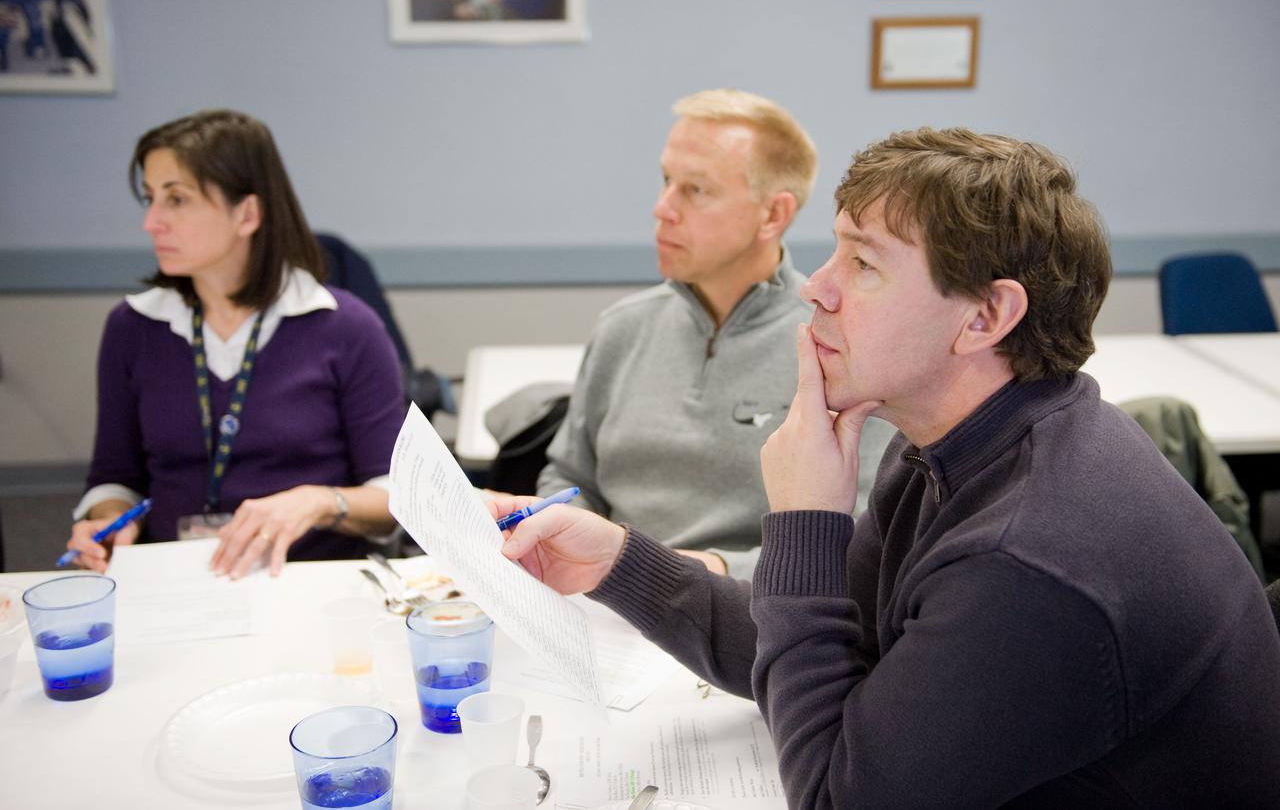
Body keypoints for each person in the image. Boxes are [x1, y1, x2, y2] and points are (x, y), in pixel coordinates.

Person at [494, 127, 1280, 805]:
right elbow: (833, 643)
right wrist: (619, 561)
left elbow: (839, 795)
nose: (819, 290)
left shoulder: (1031, 552)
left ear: (985, 316)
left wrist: (806, 521)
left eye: (864, 264)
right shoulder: (951, 443)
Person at [536, 88, 894, 578]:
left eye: (696, 190)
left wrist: (682, 571)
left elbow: (856, 539)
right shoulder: (623, 327)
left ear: (773, 215)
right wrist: (565, 539)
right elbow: (570, 478)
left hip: (747, 616)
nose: (663, 209)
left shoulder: (839, 346)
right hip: (604, 600)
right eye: (666, 181)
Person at [66, 110, 405, 579]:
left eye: (177, 199)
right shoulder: (134, 327)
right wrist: (103, 522)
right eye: (150, 199)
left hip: (306, 581)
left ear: (247, 213)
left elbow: (396, 499)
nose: (151, 222)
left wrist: (321, 502)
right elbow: (114, 480)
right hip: (175, 581)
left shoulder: (345, 328)